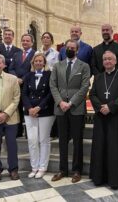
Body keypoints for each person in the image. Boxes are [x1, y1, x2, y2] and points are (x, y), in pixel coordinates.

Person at [89, 51, 118, 190]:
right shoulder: (98, 77)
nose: (107, 61)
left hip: (117, 117)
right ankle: (99, 177)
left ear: (115, 61)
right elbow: (92, 94)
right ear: (102, 62)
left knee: (115, 147)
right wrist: (100, 107)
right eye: (105, 59)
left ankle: (116, 178)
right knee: (100, 145)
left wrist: (110, 106)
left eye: (110, 59)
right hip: (101, 117)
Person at [50, 39, 90, 183]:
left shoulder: (84, 66)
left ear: (77, 50)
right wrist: (60, 102)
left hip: (76, 108)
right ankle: (62, 170)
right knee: (62, 141)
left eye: (73, 48)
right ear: (64, 49)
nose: (70, 49)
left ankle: (77, 170)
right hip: (60, 108)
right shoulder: (57, 66)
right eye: (68, 47)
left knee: (77, 141)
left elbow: (85, 87)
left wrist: (71, 102)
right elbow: (53, 85)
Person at [21, 53, 55, 179]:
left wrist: (39, 107)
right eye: (36, 61)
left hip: (45, 111)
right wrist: (30, 108)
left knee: (43, 140)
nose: (39, 63)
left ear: (44, 63)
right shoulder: (29, 75)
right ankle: (34, 167)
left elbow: (50, 94)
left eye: (41, 61)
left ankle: (42, 167)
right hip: (29, 112)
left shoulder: (49, 75)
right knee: (32, 140)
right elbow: (24, 93)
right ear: (33, 63)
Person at [9, 34, 36, 137]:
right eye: (23, 40)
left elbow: (33, 69)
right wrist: (15, 78)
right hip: (16, 85)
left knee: (28, 107)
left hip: (28, 85)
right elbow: (11, 68)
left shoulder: (35, 54)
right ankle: (19, 131)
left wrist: (23, 79)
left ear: (32, 43)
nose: (25, 42)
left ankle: (29, 133)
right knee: (17, 108)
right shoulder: (17, 54)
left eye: (27, 41)